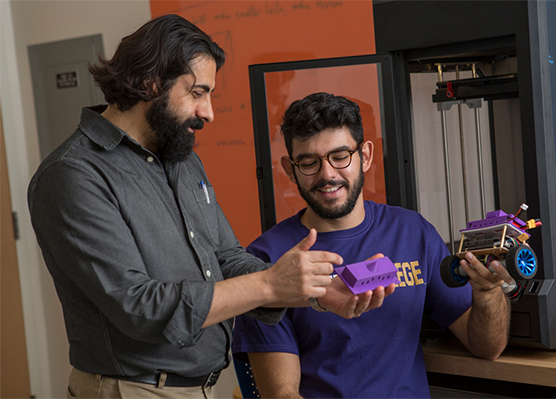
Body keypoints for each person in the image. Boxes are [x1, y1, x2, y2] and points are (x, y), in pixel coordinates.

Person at [27, 17, 392, 399]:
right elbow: (138, 307)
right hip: (132, 389)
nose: (209, 112)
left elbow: (227, 258)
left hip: (203, 387)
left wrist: (313, 292)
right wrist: (269, 284)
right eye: (198, 93)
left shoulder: (180, 159)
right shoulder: (72, 175)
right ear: (152, 82)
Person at [232, 92, 514, 398]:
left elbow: (487, 346)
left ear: (365, 155)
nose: (327, 174)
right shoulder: (267, 259)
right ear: (290, 169)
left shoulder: (412, 233)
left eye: (340, 157)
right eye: (309, 162)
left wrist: (487, 292)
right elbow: (281, 395)